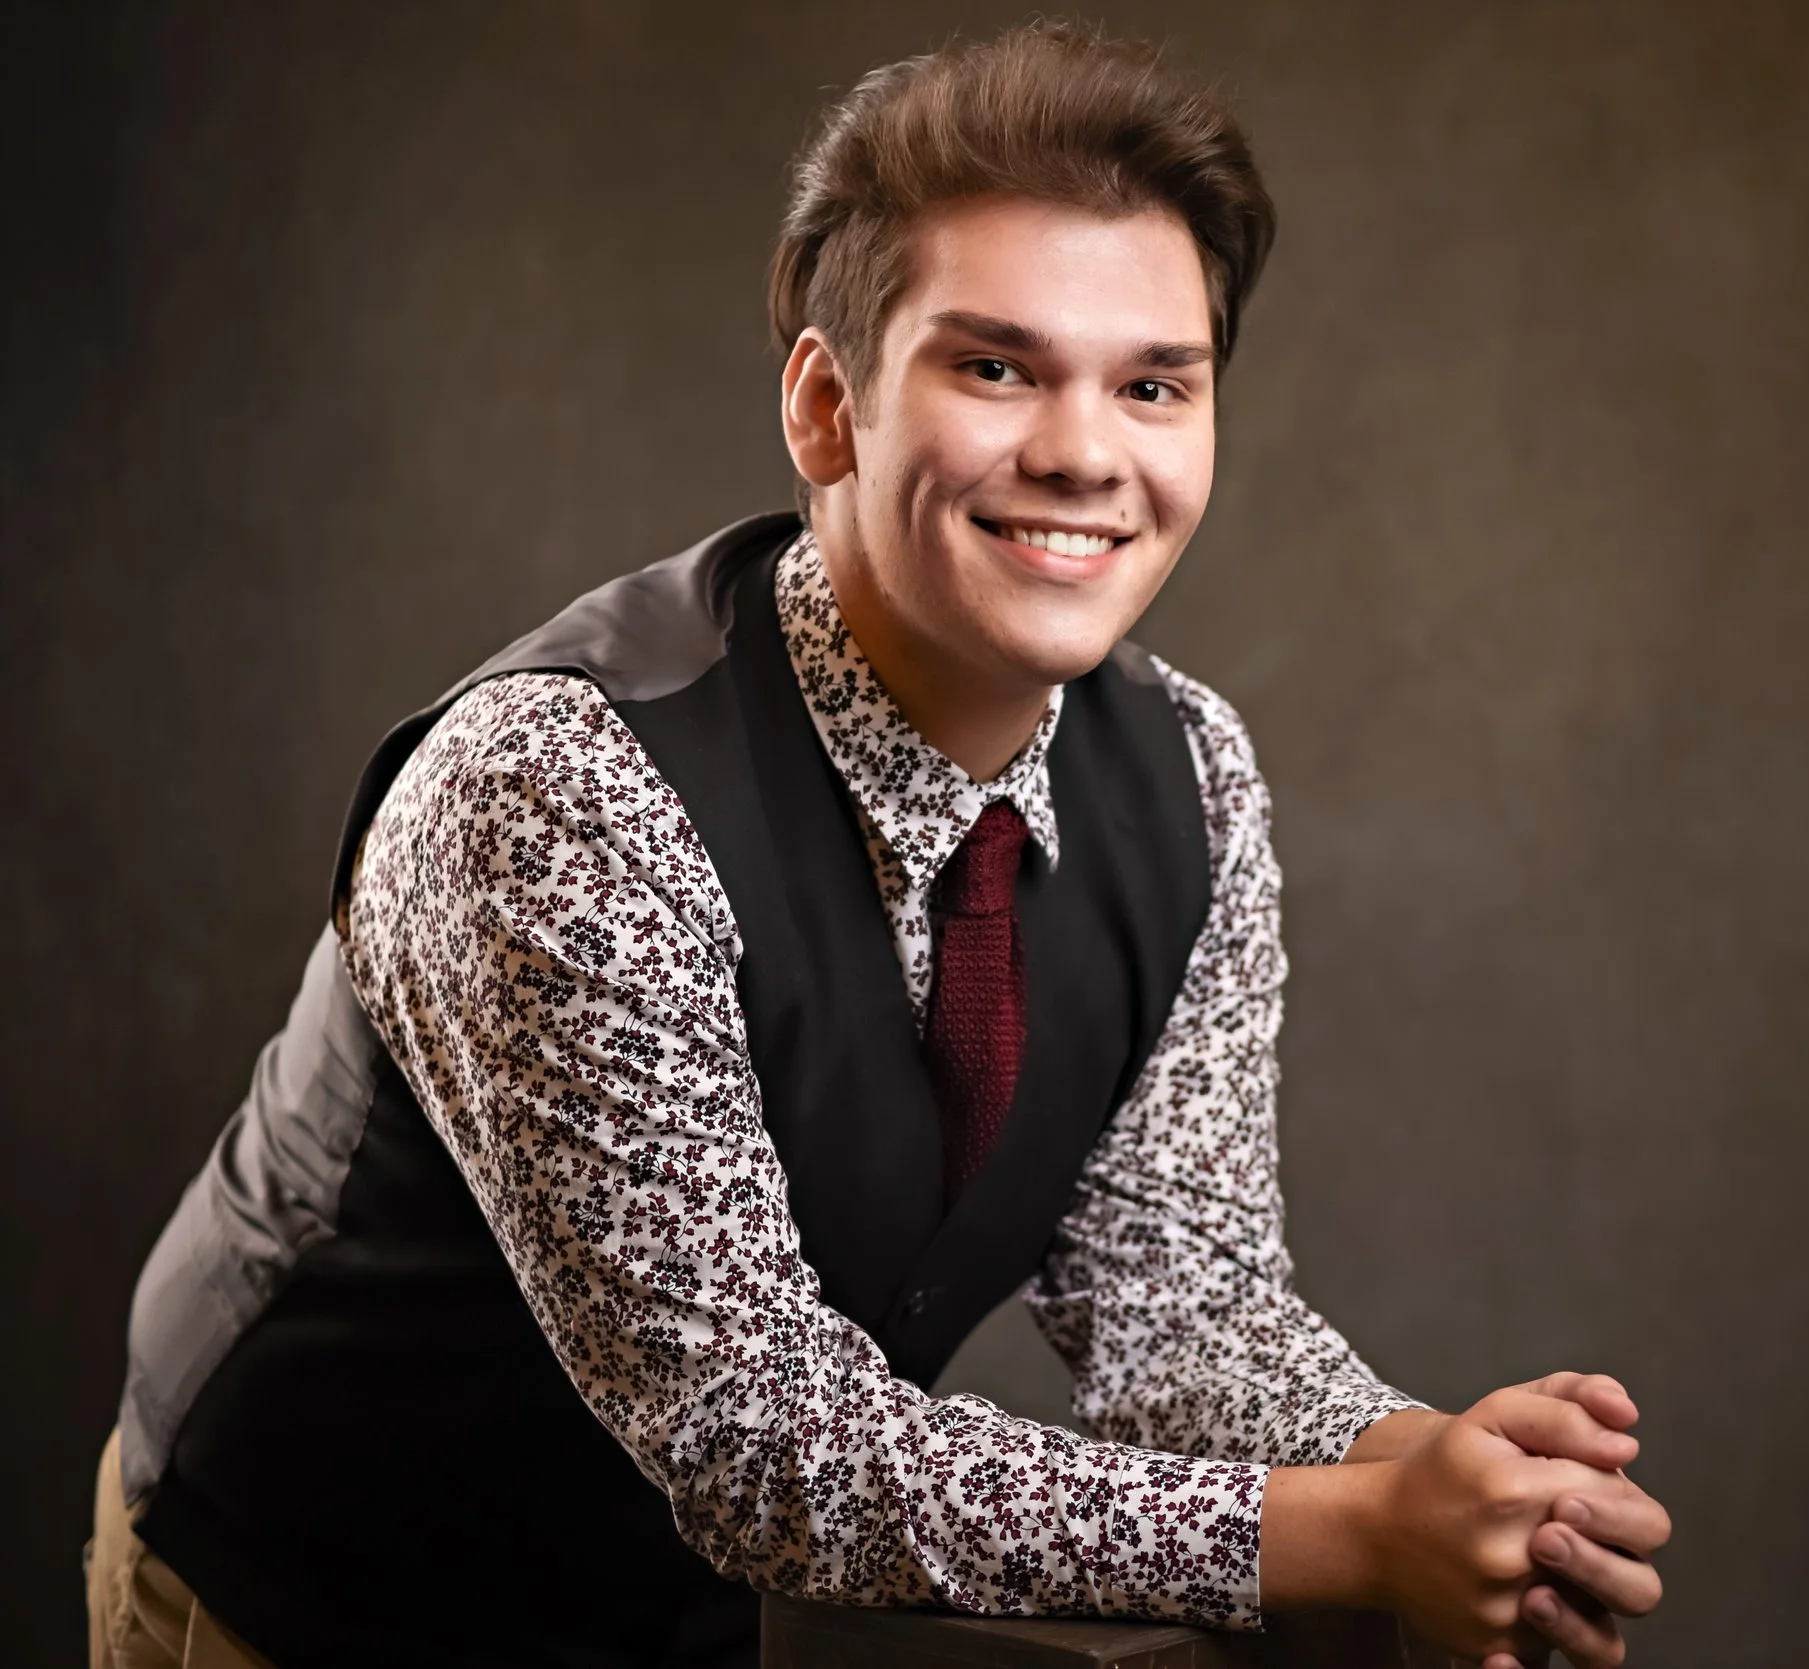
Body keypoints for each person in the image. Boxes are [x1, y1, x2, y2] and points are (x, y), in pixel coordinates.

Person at [89, 21, 1671, 1669]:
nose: (1083, 450)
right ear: (828, 407)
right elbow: (763, 1443)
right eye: (996, 368)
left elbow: (1167, 1304)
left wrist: (1435, 1470)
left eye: (1154, 385)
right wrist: (1345, 1538)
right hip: (307, 1592)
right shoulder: (562, 786)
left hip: (668, 1614)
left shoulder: (1194, 771)